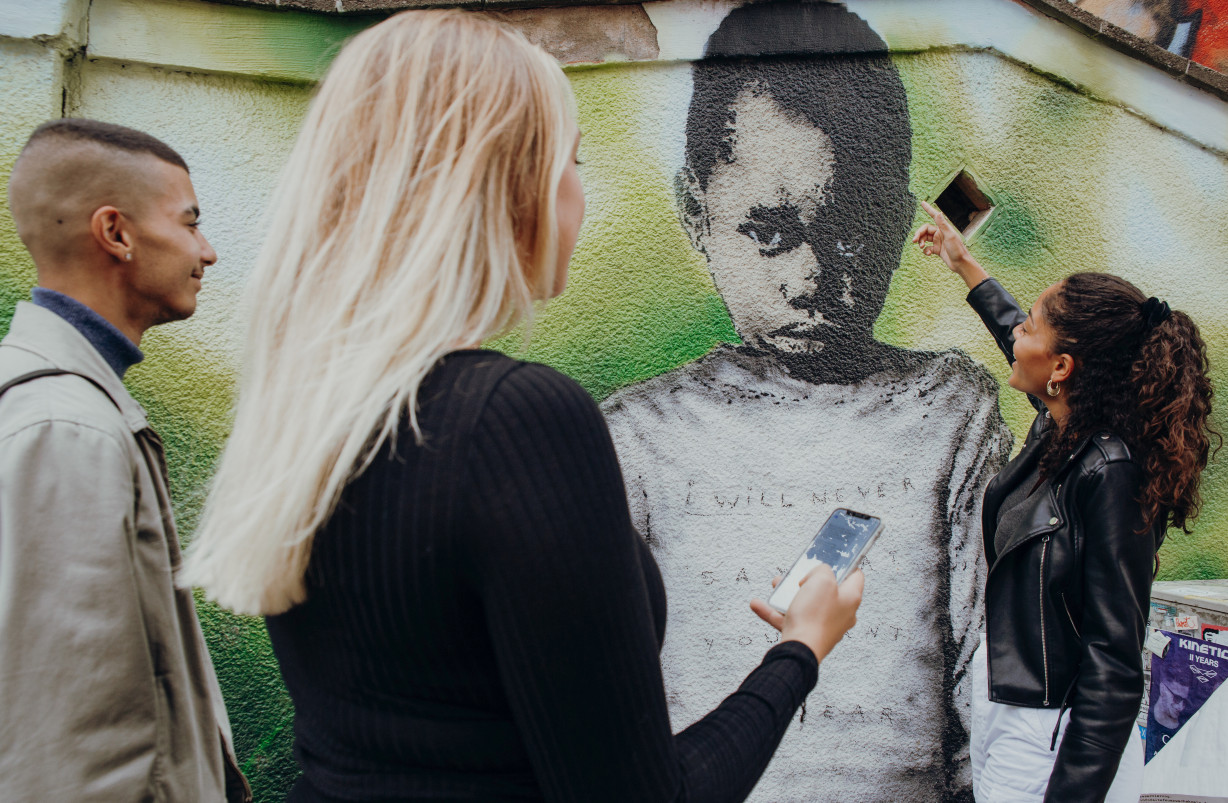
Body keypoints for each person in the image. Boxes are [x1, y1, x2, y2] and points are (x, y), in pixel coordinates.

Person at [179, 11, 864, 802]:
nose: (580, 190)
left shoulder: (305, 411)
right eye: (571, 161)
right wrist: (800, 650)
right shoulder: (515, 420)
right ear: (506, 186)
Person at [600, 3, 1012, 799]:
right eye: (769, 231)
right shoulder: (636, 440)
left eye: (851, 231)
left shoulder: (950, 413)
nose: (810, 276)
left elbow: (981, 675)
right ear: (697, 214)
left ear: (898, 221)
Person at [914, 200, 1216, 802]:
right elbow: (1015, 338)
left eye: (1031, 326)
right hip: (1013, 702)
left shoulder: (1111, 474)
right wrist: (965, 265)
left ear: (1062, 367)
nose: (1016, 332)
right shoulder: (1064, 426)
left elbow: (1115, 661)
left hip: (1053, 737)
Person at [0, 119, 249, 801]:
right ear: (116, 232)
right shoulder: (66, 426)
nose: (208, 250)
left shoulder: (61, 403)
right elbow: (69, 733)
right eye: (190, 222)